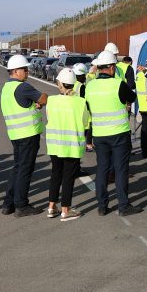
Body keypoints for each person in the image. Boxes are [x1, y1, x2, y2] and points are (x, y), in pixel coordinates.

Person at [85, 50, 141, 216]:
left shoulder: (90, 86)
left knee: (102, 169)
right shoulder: (118, 84)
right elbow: (131, 97)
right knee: (120, 169)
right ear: (110, 67)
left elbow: (88, 107)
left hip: (100, 135)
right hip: (119, 134)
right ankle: (123, 206)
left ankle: (102, 206)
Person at [0, 54, 47, 218]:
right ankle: (21, 204)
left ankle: (8, 203)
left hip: (15, 134)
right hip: (28, 134)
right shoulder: (23, 87)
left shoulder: (6, 88)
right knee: (25, 170)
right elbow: (43, 98)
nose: (27, 72)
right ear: (15, 71)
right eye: (24, 69)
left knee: (17, 168)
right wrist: (40, 101)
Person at [44, 68, 91, 221]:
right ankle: (66, 210)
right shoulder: (81, 102)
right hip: (71, 146)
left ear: (60, 85)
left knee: (55, 174)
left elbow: (49, 117)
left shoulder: (51, 101)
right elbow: (85, 123)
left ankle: (51, 207)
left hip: (54, 145)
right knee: (68, 177)